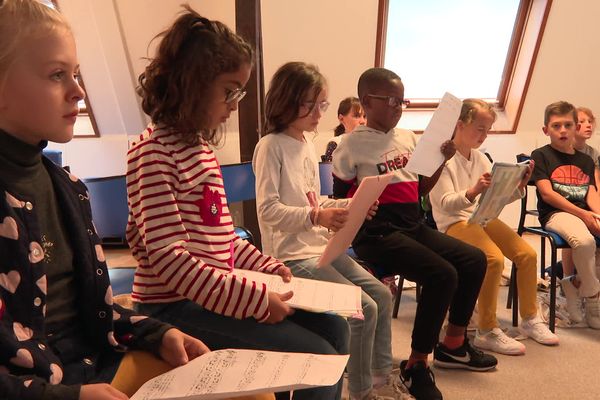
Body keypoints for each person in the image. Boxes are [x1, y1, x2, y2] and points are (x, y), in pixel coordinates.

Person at [126, 8, 349, 400]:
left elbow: (224, 236)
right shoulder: (152, 153)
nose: (235, 103)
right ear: (190, 84)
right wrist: (254, 300)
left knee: (335, 328)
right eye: (230, 90)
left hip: (210, 293)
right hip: (173, 306)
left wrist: (265, 265)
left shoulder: (199, 149)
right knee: (315, 357)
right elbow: (171, 261)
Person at [0, 1, 211, 399]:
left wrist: (157, 333)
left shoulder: (67, 187)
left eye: (76, 74)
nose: (78, 91)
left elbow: (95, 312)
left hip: (96, 366)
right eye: (57, 75)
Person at [332, 68, 497, 400]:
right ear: (367, 102)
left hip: (412, 225)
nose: (398, 107)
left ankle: (453, 343)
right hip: (375, 234)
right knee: (442, 274)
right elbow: (340, 202)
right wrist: (359, 206)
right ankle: (417, 364)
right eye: (392, 100)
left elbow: (422, 189)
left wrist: (440, 161)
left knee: (474, 259)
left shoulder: (407, 138)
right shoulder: (347, 146)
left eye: (402, 100)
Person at [253, 62, 410, 400]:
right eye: (310, 104)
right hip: (289, 257)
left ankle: (381, 378)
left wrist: (346, 206)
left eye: (322, 104)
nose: (318, 112)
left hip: (319, 248)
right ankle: (363, 391)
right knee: (362, 308)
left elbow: (313, 200)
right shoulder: (271, 145)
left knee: (381, 296)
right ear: (286, 101)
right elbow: (268, 212)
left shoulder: (307, 142)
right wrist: (317, 216)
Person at [428, 99, 559, 355]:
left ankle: (531, 319)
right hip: (455, 222)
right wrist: (473, 191)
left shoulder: (479, 157)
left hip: (482, 216)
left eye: (487, 130)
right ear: (460, 124)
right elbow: (444, 205)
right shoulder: (443, 158)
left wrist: (518, 186)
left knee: (527, 254)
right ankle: (487, 329)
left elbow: (495, 198)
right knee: (493, 259)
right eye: (479, 128)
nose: (483, 135)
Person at [531, 101, 600, 329]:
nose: (562, 130)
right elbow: (548, 194)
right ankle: (592, 299)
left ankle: (573, 283)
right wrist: (583, 214)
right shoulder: (541, 155)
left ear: (575, 127)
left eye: (567, 125)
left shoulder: (586, 160)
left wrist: (597, 215)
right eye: (556, 126)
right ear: (546, 130)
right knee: (584, 240)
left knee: (588, 237)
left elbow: (591, 194)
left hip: (582, 212)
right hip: (556, 214)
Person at [561, 106, 598, 293]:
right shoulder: (564, 150)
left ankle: (590, 279)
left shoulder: (594, 154)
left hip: (590, 201)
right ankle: (568, 279)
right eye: (582, 122)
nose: (588, 125)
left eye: (590, 121)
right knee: (573, 229)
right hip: (568, 203)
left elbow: (596, 186)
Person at [322, 97, 365, 162]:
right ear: (341, 118)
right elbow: (328, 171)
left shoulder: (371, 144)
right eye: (357, 116)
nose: (362, 121)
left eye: (365, 116)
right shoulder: (336, 143)